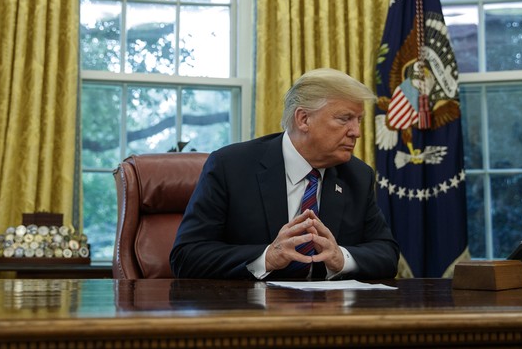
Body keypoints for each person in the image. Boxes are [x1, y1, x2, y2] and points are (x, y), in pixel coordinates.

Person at [170, 68, 400, 280]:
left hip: (328, 315)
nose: (356, 132)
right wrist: (267, 257)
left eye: (358, 120)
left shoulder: (357, 176)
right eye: (345, 119)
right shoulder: (230, 166)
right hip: (248, 312)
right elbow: (186, 256)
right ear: (303, 119)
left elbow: (387, 253)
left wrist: (342, 258)